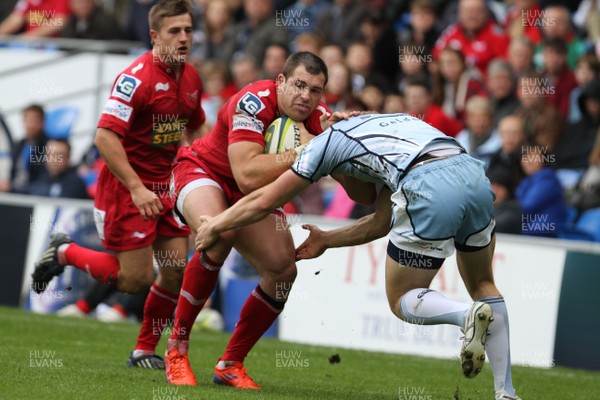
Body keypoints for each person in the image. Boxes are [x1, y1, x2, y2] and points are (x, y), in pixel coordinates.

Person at [195, 113, 520, 400]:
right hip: (472, 173)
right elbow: (381, 220)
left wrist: (216, 225)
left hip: (429, 182)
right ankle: (506, 392)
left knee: (402, 297)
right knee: (483, 282)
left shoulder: (322, 146)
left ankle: (465, 316)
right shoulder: (378, 127)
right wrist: (327, 240)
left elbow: (264, 200)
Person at [31, 0, 206, 370]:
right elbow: (104, 137)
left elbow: (195, 126)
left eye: (188, 30)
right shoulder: (136, 78)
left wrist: (201, 167)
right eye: (174, 31)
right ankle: (65, 253)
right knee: (134, 279)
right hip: (127, 189)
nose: (184, 38)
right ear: (154, 35)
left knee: (175, 269)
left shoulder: (191, 78)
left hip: (166, 187)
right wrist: (137, 188)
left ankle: (144, 349)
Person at [164, 52, 351, 389]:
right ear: (281, 81)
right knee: (222, 231)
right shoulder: (253, 101)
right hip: (202, 171)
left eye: (316, 90)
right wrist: (303, 152)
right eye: (299, 85)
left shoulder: (320, 120)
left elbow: (357, 189)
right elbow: (247, 176)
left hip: (248, 195)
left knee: (283, 269)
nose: (306, 96)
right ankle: (176, 349)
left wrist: (349, 140)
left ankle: (231, 363)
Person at [10, 104, 49, 194]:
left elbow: (45, 177)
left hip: (34, 191)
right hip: (14, 190)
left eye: (34, 121)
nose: (30, 125)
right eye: (28, 120)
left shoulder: (49, 145)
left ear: (42, 123)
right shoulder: (19, 145)